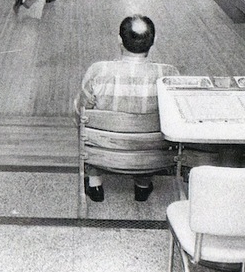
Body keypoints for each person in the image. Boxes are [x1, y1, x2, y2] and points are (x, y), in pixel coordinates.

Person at [73, 14, 179, 203]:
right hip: (152, 156)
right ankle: (142, 186)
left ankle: (95, 184)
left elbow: (79, 114)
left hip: (103, 152)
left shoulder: (98, 72)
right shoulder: (168, 75)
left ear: (119, 41)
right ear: (154, 41)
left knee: (86, 125)